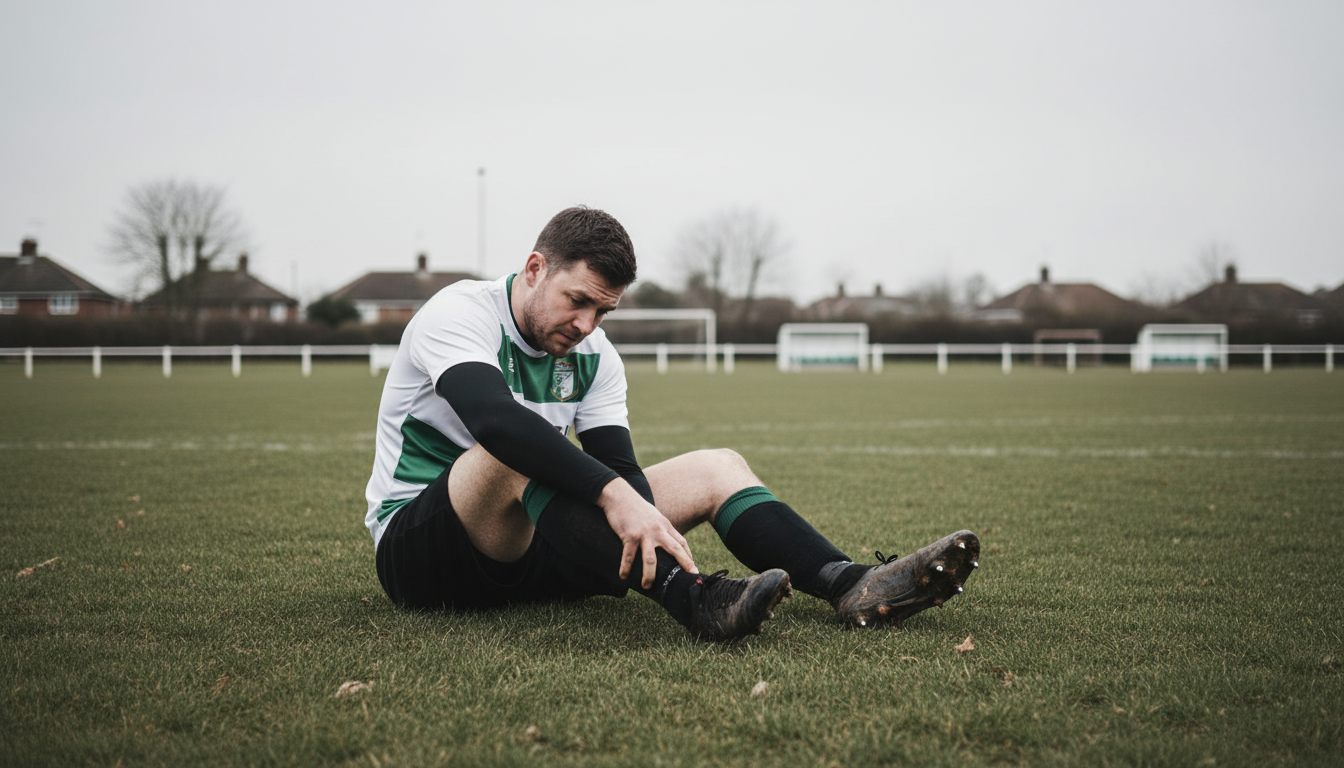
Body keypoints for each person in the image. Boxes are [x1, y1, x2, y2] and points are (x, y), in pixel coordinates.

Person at [364, 206, 979, 641]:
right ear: (534, 268)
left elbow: (625, 471)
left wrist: (630, 504)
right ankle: (697, 601)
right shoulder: (459, 313)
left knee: (718, 466)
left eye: (603, 311)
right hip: (423, 556)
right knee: (513, 454)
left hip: (535, 552)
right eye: (576, 300)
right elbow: (497, 423)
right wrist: (614, 497)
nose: (586, 326)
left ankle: (851, 584)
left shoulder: (596, 356)